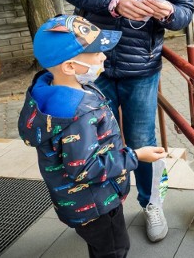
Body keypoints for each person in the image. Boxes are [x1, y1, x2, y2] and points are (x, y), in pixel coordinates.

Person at [53, 0, 194, 242]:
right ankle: (105, 206)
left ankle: (152, 203)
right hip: (91, 62)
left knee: (142, 140)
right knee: (92, 138)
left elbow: (186, 11)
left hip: (141, 65)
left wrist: (168, 13)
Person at [18, 14, 168, 258]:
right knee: (114, 248)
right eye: (97, 52)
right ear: (69, 66)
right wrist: (136, 155)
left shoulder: (52, 89)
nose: (104, 57)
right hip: (96, 203)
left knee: (99, 244)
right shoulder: (76, 114)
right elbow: (85, 168)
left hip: (79, 201)